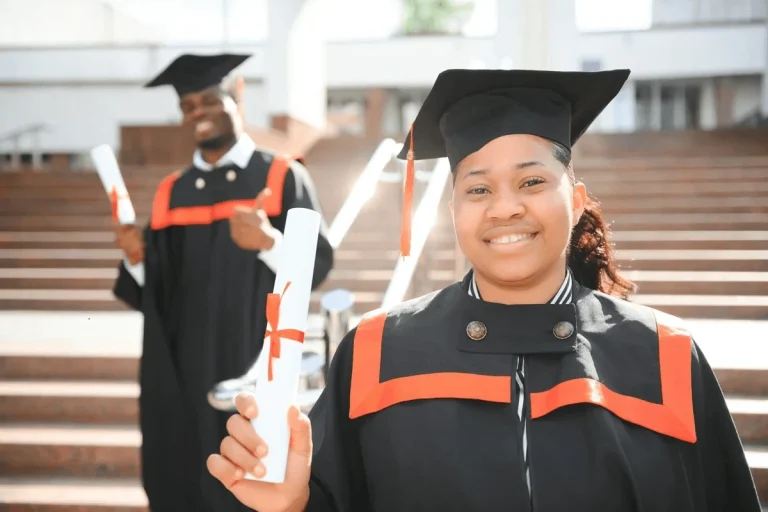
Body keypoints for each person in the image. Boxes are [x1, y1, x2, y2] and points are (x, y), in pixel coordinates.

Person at [205, 68, 761, 511]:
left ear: (576, 198)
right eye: (477, 188)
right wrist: (293, 503)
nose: (504, 207)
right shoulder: (377, 354)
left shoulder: (664, 357)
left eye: (532, 181)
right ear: (452, 209)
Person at [112, 53, 334, 512]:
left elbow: (319, 264)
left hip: (250, 361)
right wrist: (137, 259)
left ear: (236, 97)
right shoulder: (172, 191)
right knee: (182, 479)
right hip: (181, 372)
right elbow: (156, 292)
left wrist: (270, 242)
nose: (197, 114)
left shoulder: (281, 175)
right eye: (188, 107)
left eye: (208, 101)